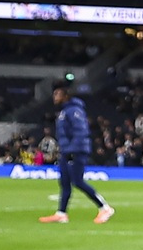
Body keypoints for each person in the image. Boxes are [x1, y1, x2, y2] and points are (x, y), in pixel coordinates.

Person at [38, 82, 111, 225]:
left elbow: (80, 132)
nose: (54, 97)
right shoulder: (64, 111)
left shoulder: (74, 111)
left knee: (77, 181)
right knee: (64, 182)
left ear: (66, 96)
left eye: (57, 94)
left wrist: (72, 150)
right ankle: (61, 213)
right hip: (67, 151)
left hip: (75, 151)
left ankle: (105, 208)